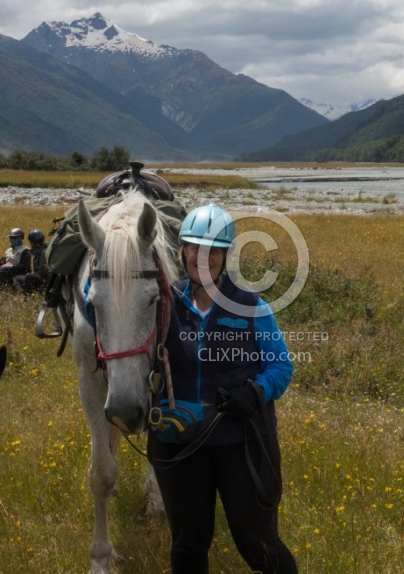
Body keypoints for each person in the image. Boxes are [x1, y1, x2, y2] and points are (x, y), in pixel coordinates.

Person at [148, 204, 298, 574]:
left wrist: (257, 391)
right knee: (188, 544)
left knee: (258, 544)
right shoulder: (163, 303)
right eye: (195, 247)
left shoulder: (251, 305)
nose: (203, 257)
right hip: (178, 442)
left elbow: (281, 366)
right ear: (182, 250)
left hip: (240, 441)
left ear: (226, 256)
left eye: (214, 249)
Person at [0, 228, 31, 292]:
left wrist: (12, 266)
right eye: (10, 238)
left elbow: (25, 266)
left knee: (3, 269)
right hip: (6, 271)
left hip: (18, 272)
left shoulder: (25, 250)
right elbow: (4, 262)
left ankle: (1, 292)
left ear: (20, 238)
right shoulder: (8, 250)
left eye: (14, 238)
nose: (12, 240)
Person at [13, 229, 50, 296]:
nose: (31, 244)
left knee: (28, 276)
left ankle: (29, 296)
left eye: (31, 243)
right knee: (17, 278)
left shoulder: (43, 253)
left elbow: (44, 270)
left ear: (35, 243)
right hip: (38, 276)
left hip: (45, 279)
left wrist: (33, 274)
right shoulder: (37, 251)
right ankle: (21, 294)